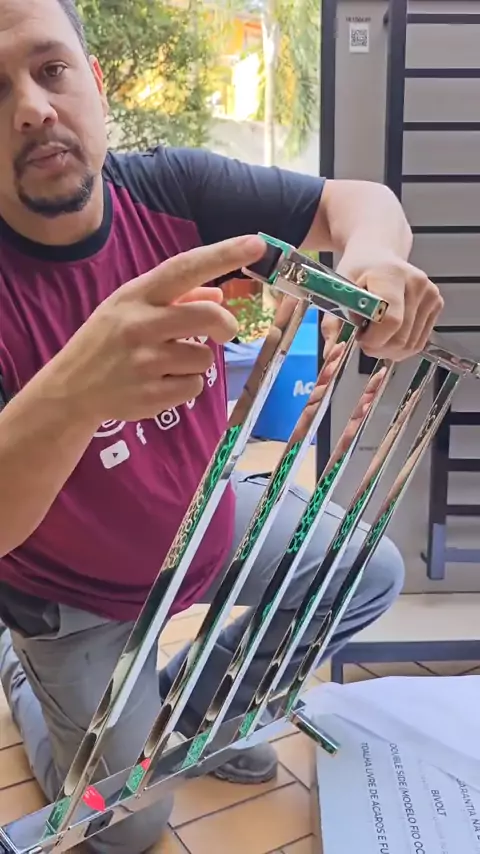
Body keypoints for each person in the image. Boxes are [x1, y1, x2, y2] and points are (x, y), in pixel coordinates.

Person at [0, 0, 444, 851]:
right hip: (71, 597)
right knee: (127, 829)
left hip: (203, 522)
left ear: (95, 84)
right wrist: (75, 391)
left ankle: (190, 714)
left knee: (367, 572)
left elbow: (359, 201)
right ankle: (27, 682)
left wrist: (373, 260)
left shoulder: (172, 191)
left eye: (51, 69)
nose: (30, 108)